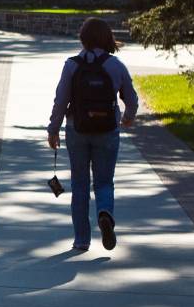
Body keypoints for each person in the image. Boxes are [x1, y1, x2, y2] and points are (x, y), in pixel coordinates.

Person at [47, 17, 138, 251]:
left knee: (80, 184)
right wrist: (127, 118)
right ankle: (105, 214)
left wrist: (53, 129)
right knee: (104, 181)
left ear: (83, 38)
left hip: (77, 129)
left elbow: (61, 101)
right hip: (107, 131)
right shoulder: (115, 65)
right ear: (107, 38)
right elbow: (132, 99)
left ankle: (81, 240)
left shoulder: (72, 65)